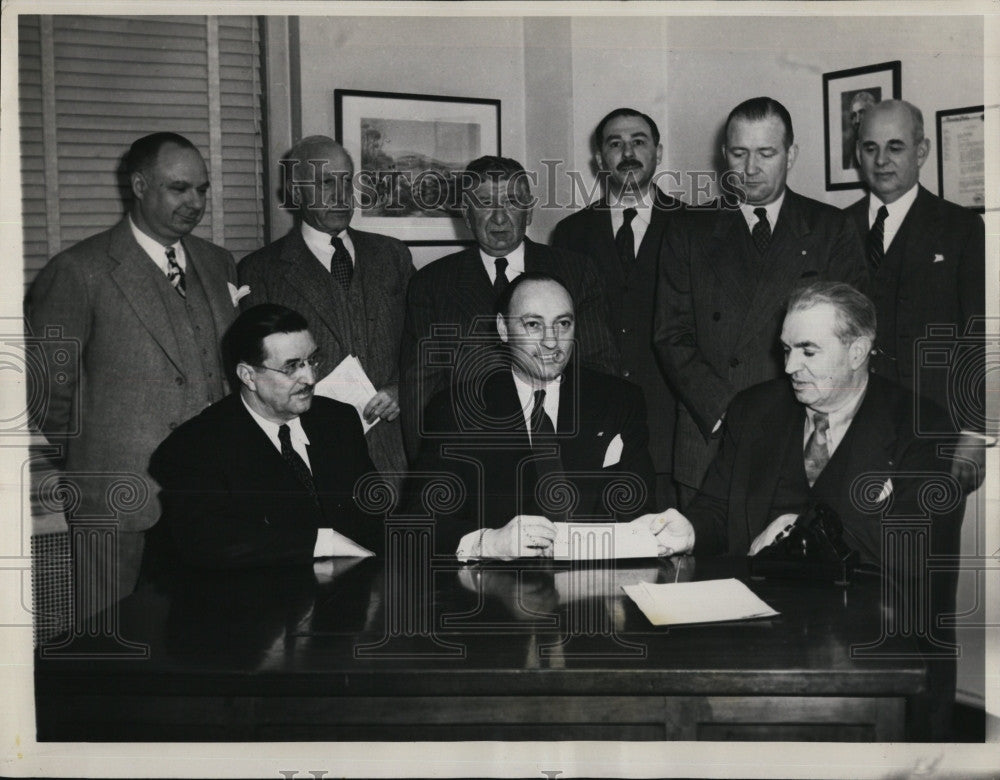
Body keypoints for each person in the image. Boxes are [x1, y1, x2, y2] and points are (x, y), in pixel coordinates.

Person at [664, 281, 963, 740]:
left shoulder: (922, 427)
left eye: (807, 351)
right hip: (756, 655)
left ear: (858, 350)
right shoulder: (754, 410)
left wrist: (801, 529)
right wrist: (685, 528)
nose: (789, 367)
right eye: (786, 350)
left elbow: (910, 558)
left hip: (876, 666)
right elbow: (719, 511)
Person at [25, 132, 239, 610]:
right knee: (115, 645)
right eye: (179, 188)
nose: (195, 202)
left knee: (207, 633)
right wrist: (95, 456)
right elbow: (43, 390)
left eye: (202, 189)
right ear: (140, 185)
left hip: (208, 500)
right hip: (119, 499)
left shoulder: (218, 262)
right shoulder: (78, 270)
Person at [654, 96, 868, 506]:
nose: (750, 169)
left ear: (791, 154)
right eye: (739, 153)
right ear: (724, 155)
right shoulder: (688, 231)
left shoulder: (830, 229)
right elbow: (671, 335)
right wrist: (728, 413)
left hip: (804, 430)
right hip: (711, 434)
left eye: (766, 153)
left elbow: (852, 339)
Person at [407, 273, 681, 560]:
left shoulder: (619, 400)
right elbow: (419, 522)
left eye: (563, 324)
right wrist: (490, 543)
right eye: (533, 325)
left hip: (598, 584)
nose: (552, 342)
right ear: (503, 328)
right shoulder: (455, 410)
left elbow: (637, 511)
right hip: (499, 589)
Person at [400, 155, 618, 460]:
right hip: (472, 456)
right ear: (465, 213)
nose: (500, 218)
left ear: (529, 211)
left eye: (513, 202)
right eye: (486, 203)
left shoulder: (576, 272)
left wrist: (587, 452)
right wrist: (432, 470)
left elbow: (598, 368)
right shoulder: (431, 285)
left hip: (563, 448)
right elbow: (420, 392)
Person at [146, 304, 384, 570]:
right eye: (292, 367)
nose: (309, 377)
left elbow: (373, 515)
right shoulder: (196, 445)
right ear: (248, 376)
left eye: (311, 360)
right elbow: (205, 543)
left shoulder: (337, 419)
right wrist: (322, 543)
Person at [239, 135, 413, 486]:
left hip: (396, 455)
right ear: (296, 191)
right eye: (325, 183)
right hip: (313, 456)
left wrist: (401, 389)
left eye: (346, 182)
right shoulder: (262, 270)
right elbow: (258, 375)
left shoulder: (392, 255)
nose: (340, 196)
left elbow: (419, 341)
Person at [847, 99, 987, 494]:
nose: (881, 160)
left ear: (921, 151)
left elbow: (980, 335)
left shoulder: (961, 228)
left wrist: (977, 432)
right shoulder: (837, 227)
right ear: (858, 153)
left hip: (934, 428)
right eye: (870, 147)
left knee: (928, 549)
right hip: (854, 428)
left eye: (896, 147)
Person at [552, 107, 685, 508]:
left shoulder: (693, 225)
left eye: (638, 141)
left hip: (672, 431)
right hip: (594, 430)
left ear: (658, 153)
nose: (628, 152)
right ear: (599, 161)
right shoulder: (572, 233)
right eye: (615, 144)